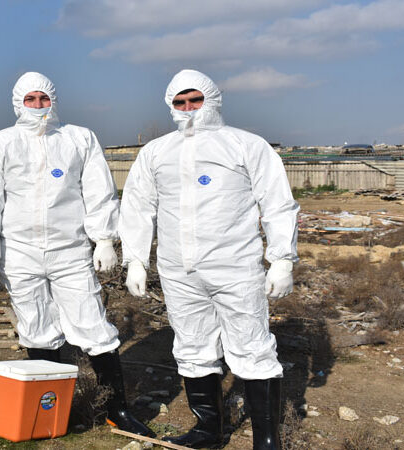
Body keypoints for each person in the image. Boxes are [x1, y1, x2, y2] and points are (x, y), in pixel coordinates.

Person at [0, 72, 153, 437]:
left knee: (93, 325)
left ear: (54, 100)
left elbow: (98, 190)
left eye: (43, 99)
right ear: (18, 103)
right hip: (19, 252)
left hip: (71, 249)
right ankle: (53, 409)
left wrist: (104, 239)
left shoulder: (79, 139)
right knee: (36, 328)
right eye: (30, 100)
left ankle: (117, 410)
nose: (37, 106)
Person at [119, 69, 299, 450]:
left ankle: (267, 438)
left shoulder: (245, 145)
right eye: (180, 103)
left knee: (252, 347)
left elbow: (278, 203)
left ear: (212, 100)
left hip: (234, 267)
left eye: (195, 100)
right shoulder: (156, 152)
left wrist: (281, 258)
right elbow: (137, 207)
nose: (188, 109)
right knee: (193, 347)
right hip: (179, 271)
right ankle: (208, 429)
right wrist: (135, 259)